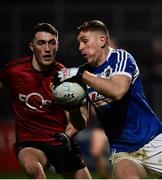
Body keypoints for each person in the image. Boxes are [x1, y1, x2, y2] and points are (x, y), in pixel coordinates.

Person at [57, 20, 162, 179]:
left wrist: (82, 75)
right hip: (123, 150)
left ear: (102, 40)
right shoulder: (83, 74)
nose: (80, 47)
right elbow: (81, 121)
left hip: (153, 140)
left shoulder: (121, 57)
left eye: (85, 41)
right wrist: (72, 112)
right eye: (79, 43)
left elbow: (118, 91)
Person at [0, 22, 92, 179]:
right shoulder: (14, 71)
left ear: (57, 45)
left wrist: (69, 132)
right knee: (34, 170)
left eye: (52, 43)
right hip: (30, 141)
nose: (47, 49)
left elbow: (80, 121)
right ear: (32, 47)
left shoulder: (65, 78)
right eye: (41, 43)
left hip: (61, 141)